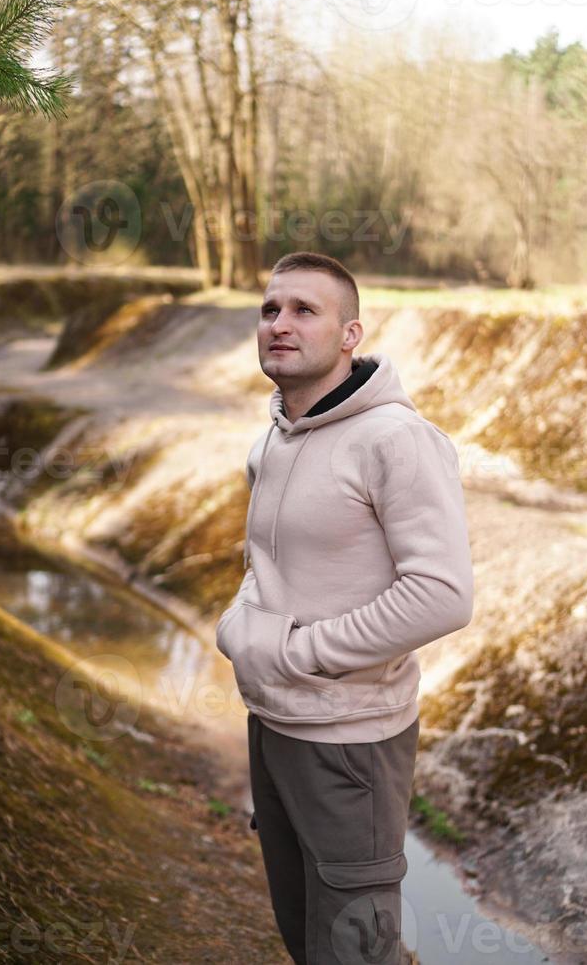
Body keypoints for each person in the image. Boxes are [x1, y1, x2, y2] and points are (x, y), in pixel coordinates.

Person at [216, 252, 474, 965]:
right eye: (270, 310)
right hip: (274, 725)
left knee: (355, 952)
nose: (280, 324)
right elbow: (263, 566)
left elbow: (443, 595)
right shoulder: (274, 438)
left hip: (350, 741)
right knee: (306, 936)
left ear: (350, 334)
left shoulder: (397, 440)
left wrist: (300, 653)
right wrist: (243, 630)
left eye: (304, 310)